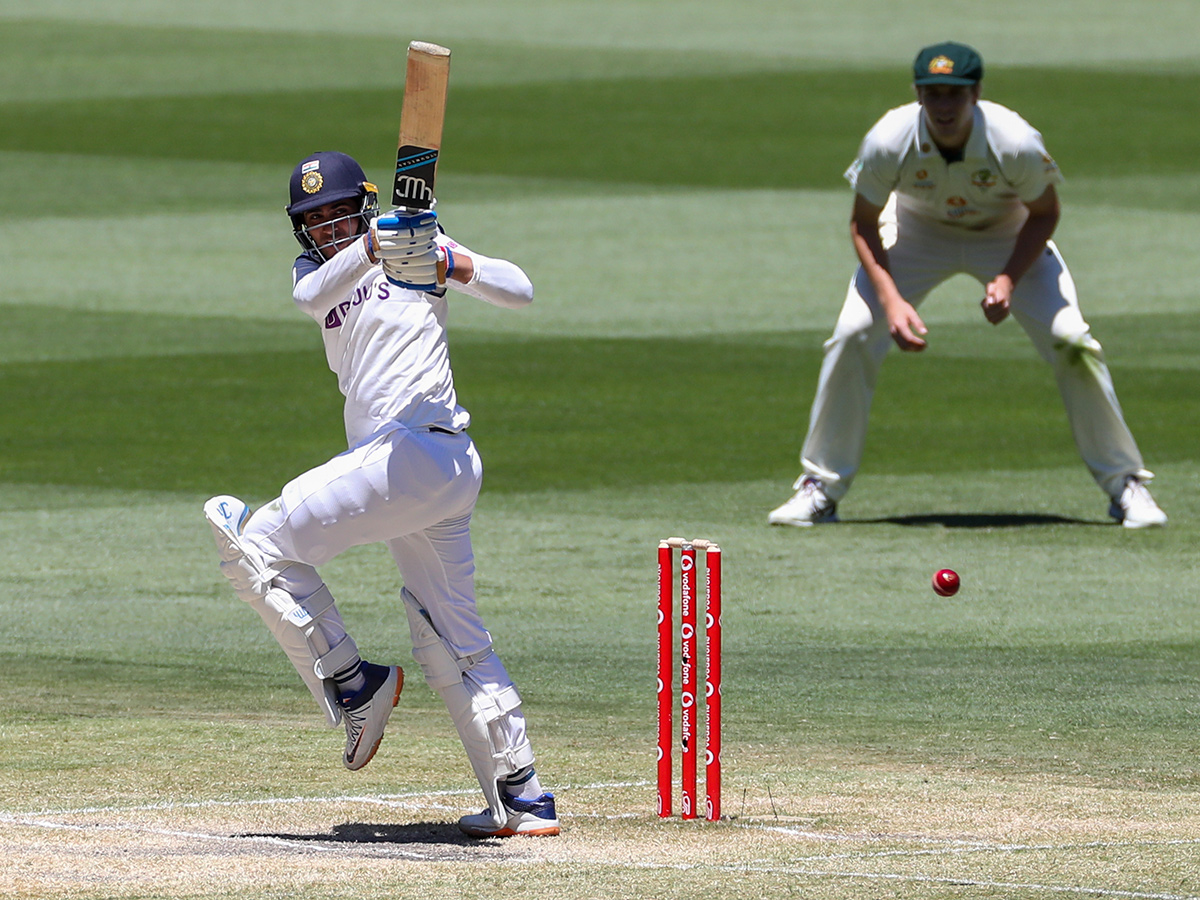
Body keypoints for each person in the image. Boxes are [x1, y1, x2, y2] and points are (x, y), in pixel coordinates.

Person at [202, 150, 559, 838]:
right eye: (315, 219)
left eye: (340, 212)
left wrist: (448, 265)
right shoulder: (318, 273)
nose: (328, 226)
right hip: (409, 473)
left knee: (252, 542)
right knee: (447, 634)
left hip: (424, 454)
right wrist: (373, 246)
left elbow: (520, 291)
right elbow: (311, 296)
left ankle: (353, 680)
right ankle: (523, 794)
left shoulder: (423, 245)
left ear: (364, 203)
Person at [768, 41, 1167, 530]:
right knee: (852, 333)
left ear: (975, 92)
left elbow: (1045, 214)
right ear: (917, 93)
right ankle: (820, 488)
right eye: (932, 94)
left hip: (1006, 236)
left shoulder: (1014, 140)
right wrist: (891, 302)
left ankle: (1125, 484)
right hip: (917, 233)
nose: (943, 106)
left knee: (1071, 340)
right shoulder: (887, 140)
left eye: (954, 94)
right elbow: (862, 224)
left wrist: (1007, 277)